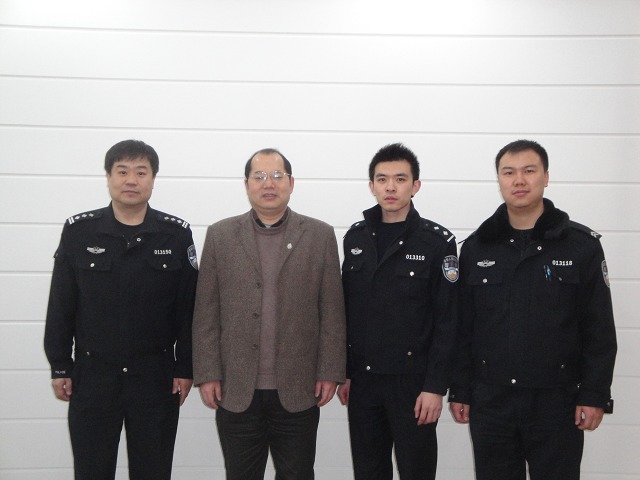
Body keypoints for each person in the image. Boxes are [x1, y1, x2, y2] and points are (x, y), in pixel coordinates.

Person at [448, 139, 617, 480]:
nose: (519, 180)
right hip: (492, 403)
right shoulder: (477, 247)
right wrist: (461, 390)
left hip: (557, 403)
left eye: (529, 171)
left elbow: (598, 328)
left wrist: (594, 395)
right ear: (499, 180)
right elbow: (463, 328)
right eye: (508, 172)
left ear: (546, 177)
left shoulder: (580, 246)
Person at [44, 139, 198, 480]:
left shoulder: (175, 235)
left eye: (141, 172)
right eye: (122, 171)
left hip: (155, 378)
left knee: (153, 471)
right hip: (93, 377)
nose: (131, 180)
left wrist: (186, 367)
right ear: (108, 177)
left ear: (153, 179)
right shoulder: (80, 232)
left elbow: (188, 310)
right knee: (92, 471)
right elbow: (61, 303)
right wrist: (60, 364)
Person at [192, 148, 346, 480]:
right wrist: (207, 373)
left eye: (277, 176)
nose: (269, 184)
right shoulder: (220, 235)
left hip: (299, 387)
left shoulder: (319, 235)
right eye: (259, 176)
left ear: (291, 183)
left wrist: (330, 371)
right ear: (246, 184)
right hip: (236, 387)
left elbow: (332, 311)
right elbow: (206, 313)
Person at [337, 143, 459, 480]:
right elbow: (347, 311)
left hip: (414, 385)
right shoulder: (355, 238)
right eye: (382, 179)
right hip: (363, 383)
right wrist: (346, 372)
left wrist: (435, 386)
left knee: (416, 471)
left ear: (415, 186)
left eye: (400, 179)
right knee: (368, 472)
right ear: (371, 186)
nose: (390, 187)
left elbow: (448, 320)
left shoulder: (436, 242)